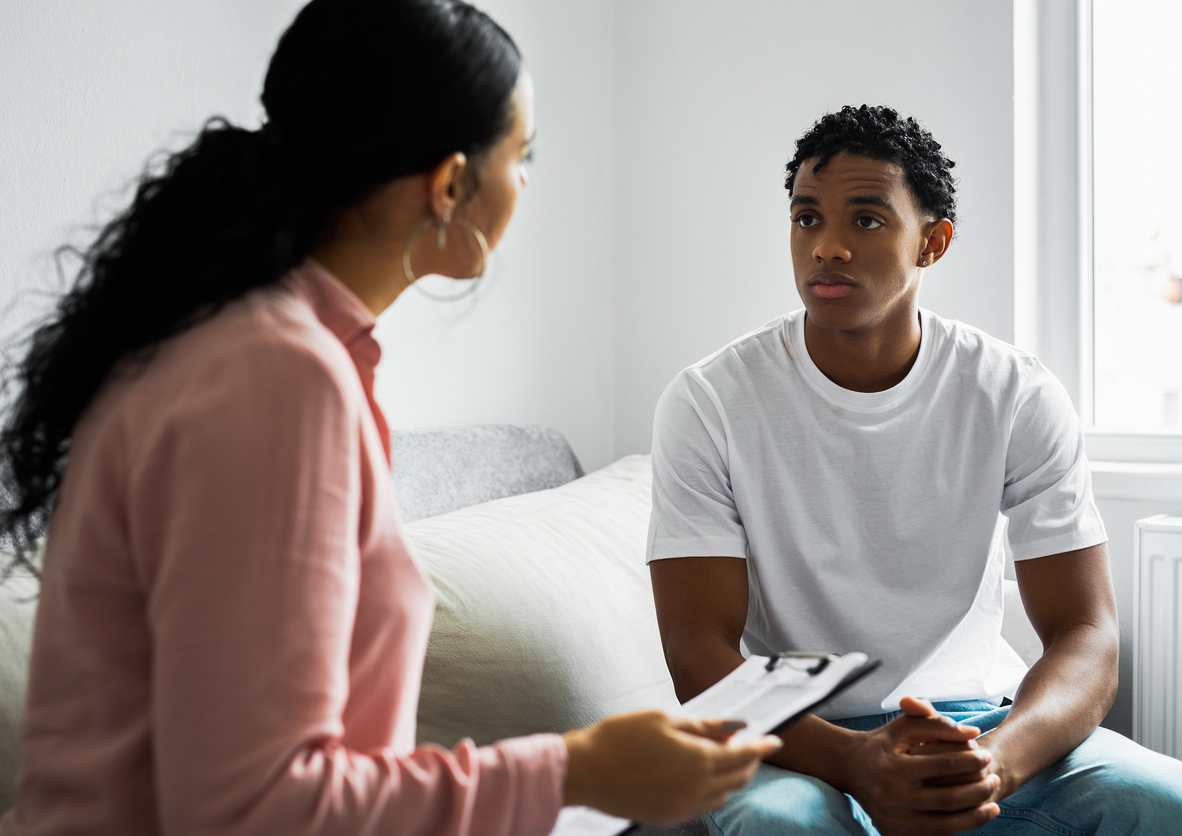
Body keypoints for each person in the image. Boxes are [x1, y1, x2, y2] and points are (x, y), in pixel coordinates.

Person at [0, 1, 781, 833]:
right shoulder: (273, 378)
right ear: (451, 183)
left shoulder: (254, 349)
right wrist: (573, 770)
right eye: (523, 156)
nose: (525, 183)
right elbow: (253, 806)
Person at [646, 104, 1182, 835]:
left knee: (1176, 806)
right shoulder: (709, 401)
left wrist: (997, 762)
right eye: (806, 219)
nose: (826, 246)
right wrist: (858, 762)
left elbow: (1087, 633)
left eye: (865, 220)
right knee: (782, 828)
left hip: (983, 725)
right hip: (795, 738)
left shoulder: (1015, 392)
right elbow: (696, 654)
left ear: (933, 241)